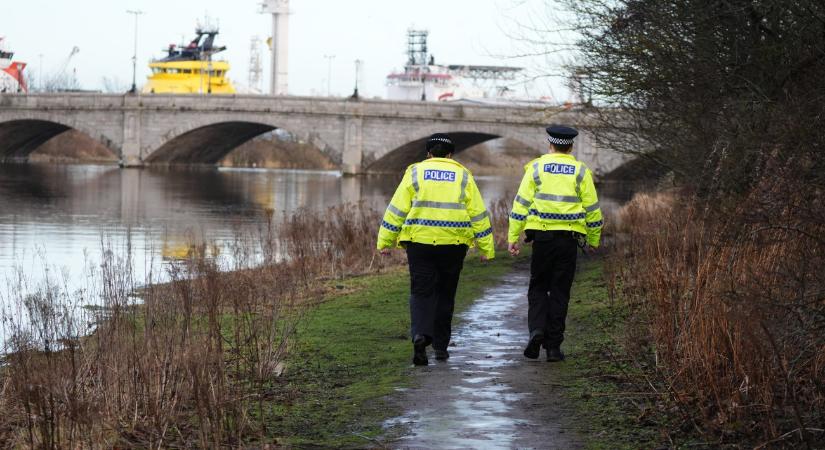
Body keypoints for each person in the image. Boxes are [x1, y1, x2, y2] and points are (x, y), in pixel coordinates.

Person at [377, 133, 495, 366]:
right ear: (451, 155)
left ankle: (421, 335)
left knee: (421, 292)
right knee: (445, 294)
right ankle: (441, 348)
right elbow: (478, 213)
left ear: (428, 154)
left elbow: (397, 209)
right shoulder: (463, 175)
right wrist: (486, 247)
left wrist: (385, 241)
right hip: (453, 244)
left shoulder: (415, 173)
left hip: (419, 243)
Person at [507, 125, 603, 362]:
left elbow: (520, 205)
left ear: (549, 144)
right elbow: (592, 209)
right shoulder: (581, 171)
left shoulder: (536, 168)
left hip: (542, 239)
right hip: (568, 241)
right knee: (560, 291)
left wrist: (513, 237)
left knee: (538, 287)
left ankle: (537, 330)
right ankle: (553, 348)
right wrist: (593, 239)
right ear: (571, 146)